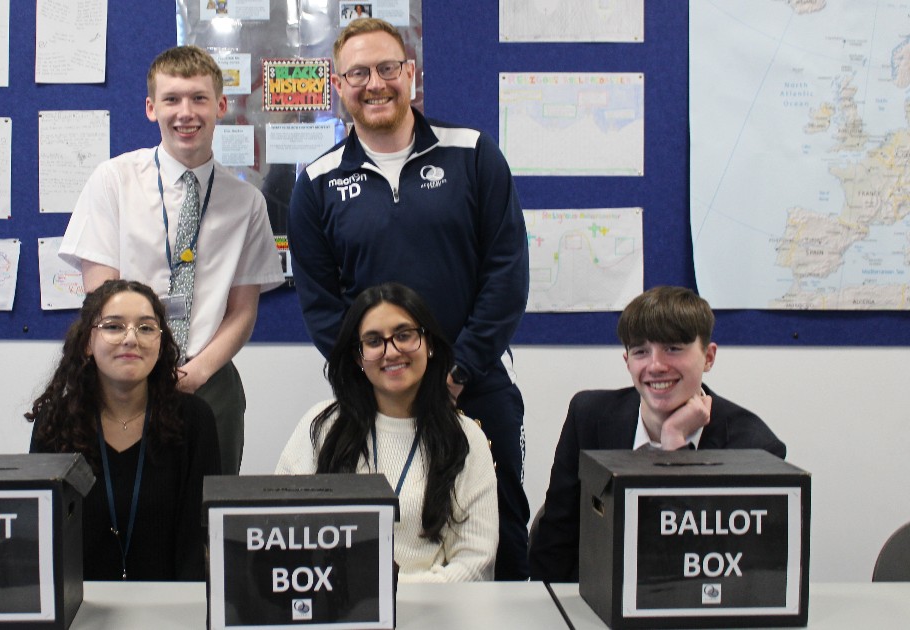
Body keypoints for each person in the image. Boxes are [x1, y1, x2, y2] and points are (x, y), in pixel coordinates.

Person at [287, 18, 530, 579]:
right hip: (375, 396)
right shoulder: (317, 182)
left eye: (388, 68)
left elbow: (507, 273)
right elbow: (323, 307)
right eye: (358, 72)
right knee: (369, 530)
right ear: (338, 84)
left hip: (475, 384)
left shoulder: (472, 153)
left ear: (411, 75)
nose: (375, 83)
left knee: (500, 525)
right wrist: (376, 373)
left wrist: (457, 371)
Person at [59, 45, 283, 476]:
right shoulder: (114, 181)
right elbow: (99, 296)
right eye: (172, 99)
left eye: (199, 98)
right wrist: (142, 362)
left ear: (220, 106)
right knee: (123, 509)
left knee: (205, 519)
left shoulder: (247, 202)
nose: (186, 112)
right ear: (150, 108)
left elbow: (243, 311)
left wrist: (196, 373)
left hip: (210, 381)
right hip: (122, 376)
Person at [527, 285, 788, 582]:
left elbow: (720, 566)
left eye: (673, 348)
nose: (656, 365)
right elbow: (555, 542)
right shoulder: (589, 417)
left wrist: (673, 446)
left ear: (709, 357)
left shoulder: (753, 447)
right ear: (627, 362)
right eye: (641, 351)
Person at [276, 283, 498, 582]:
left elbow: (476, 562)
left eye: (404, 335)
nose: (391, 352)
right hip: (332, 610)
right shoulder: (320, 426)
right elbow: (281, 534)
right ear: (358, 357)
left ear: (429, 343)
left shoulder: (466, 438)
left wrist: (383, 595)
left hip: (432, 613)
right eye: (373, 341)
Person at [27, 279, 221, 581]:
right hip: (81, 608)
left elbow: (199, 536)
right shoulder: (57, 422)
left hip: (172, 608)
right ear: (88, 343)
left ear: (160, 342)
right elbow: (44, 535)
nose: (131, 338)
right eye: (114, 327)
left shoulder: (194, 420)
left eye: (146, 328)